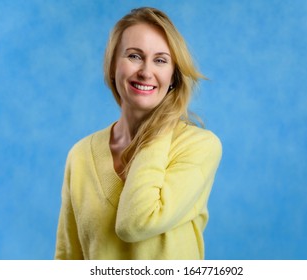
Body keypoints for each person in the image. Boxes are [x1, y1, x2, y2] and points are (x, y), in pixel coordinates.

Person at [54, 7, 222, 260]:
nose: (146, 71)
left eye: (161, 60)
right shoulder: (80, 155)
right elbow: (68, 257)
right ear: (112, 66)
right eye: (134, 56)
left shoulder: (199, 146)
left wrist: (158, 128)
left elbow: (137, 222)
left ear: (173, 76)